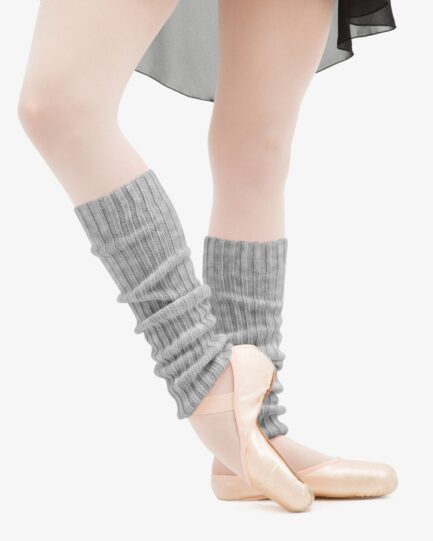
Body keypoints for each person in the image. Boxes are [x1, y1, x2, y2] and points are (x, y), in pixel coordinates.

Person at [17, 0, 398, 512]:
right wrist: (199, 368)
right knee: (60, 105)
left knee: (257, 144)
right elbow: (52, 109)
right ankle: (208, 381)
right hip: (198, 363)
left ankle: (254, 434)